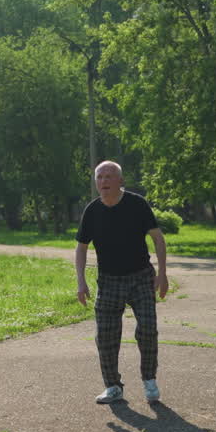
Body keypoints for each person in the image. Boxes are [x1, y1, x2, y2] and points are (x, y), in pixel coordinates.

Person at [75, 160, 168, 404]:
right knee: (105, 336)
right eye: (99, 177)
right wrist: (81, 282)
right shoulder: (92, 211)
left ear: (120, 180)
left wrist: (162, 273)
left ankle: (149, 379)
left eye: (109, 176)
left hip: (141, 277)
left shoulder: (137, 204)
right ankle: (113, 386)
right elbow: (81, 248)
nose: (103, 181)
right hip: (109, 280)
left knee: (148, 329)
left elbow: (158, 239)